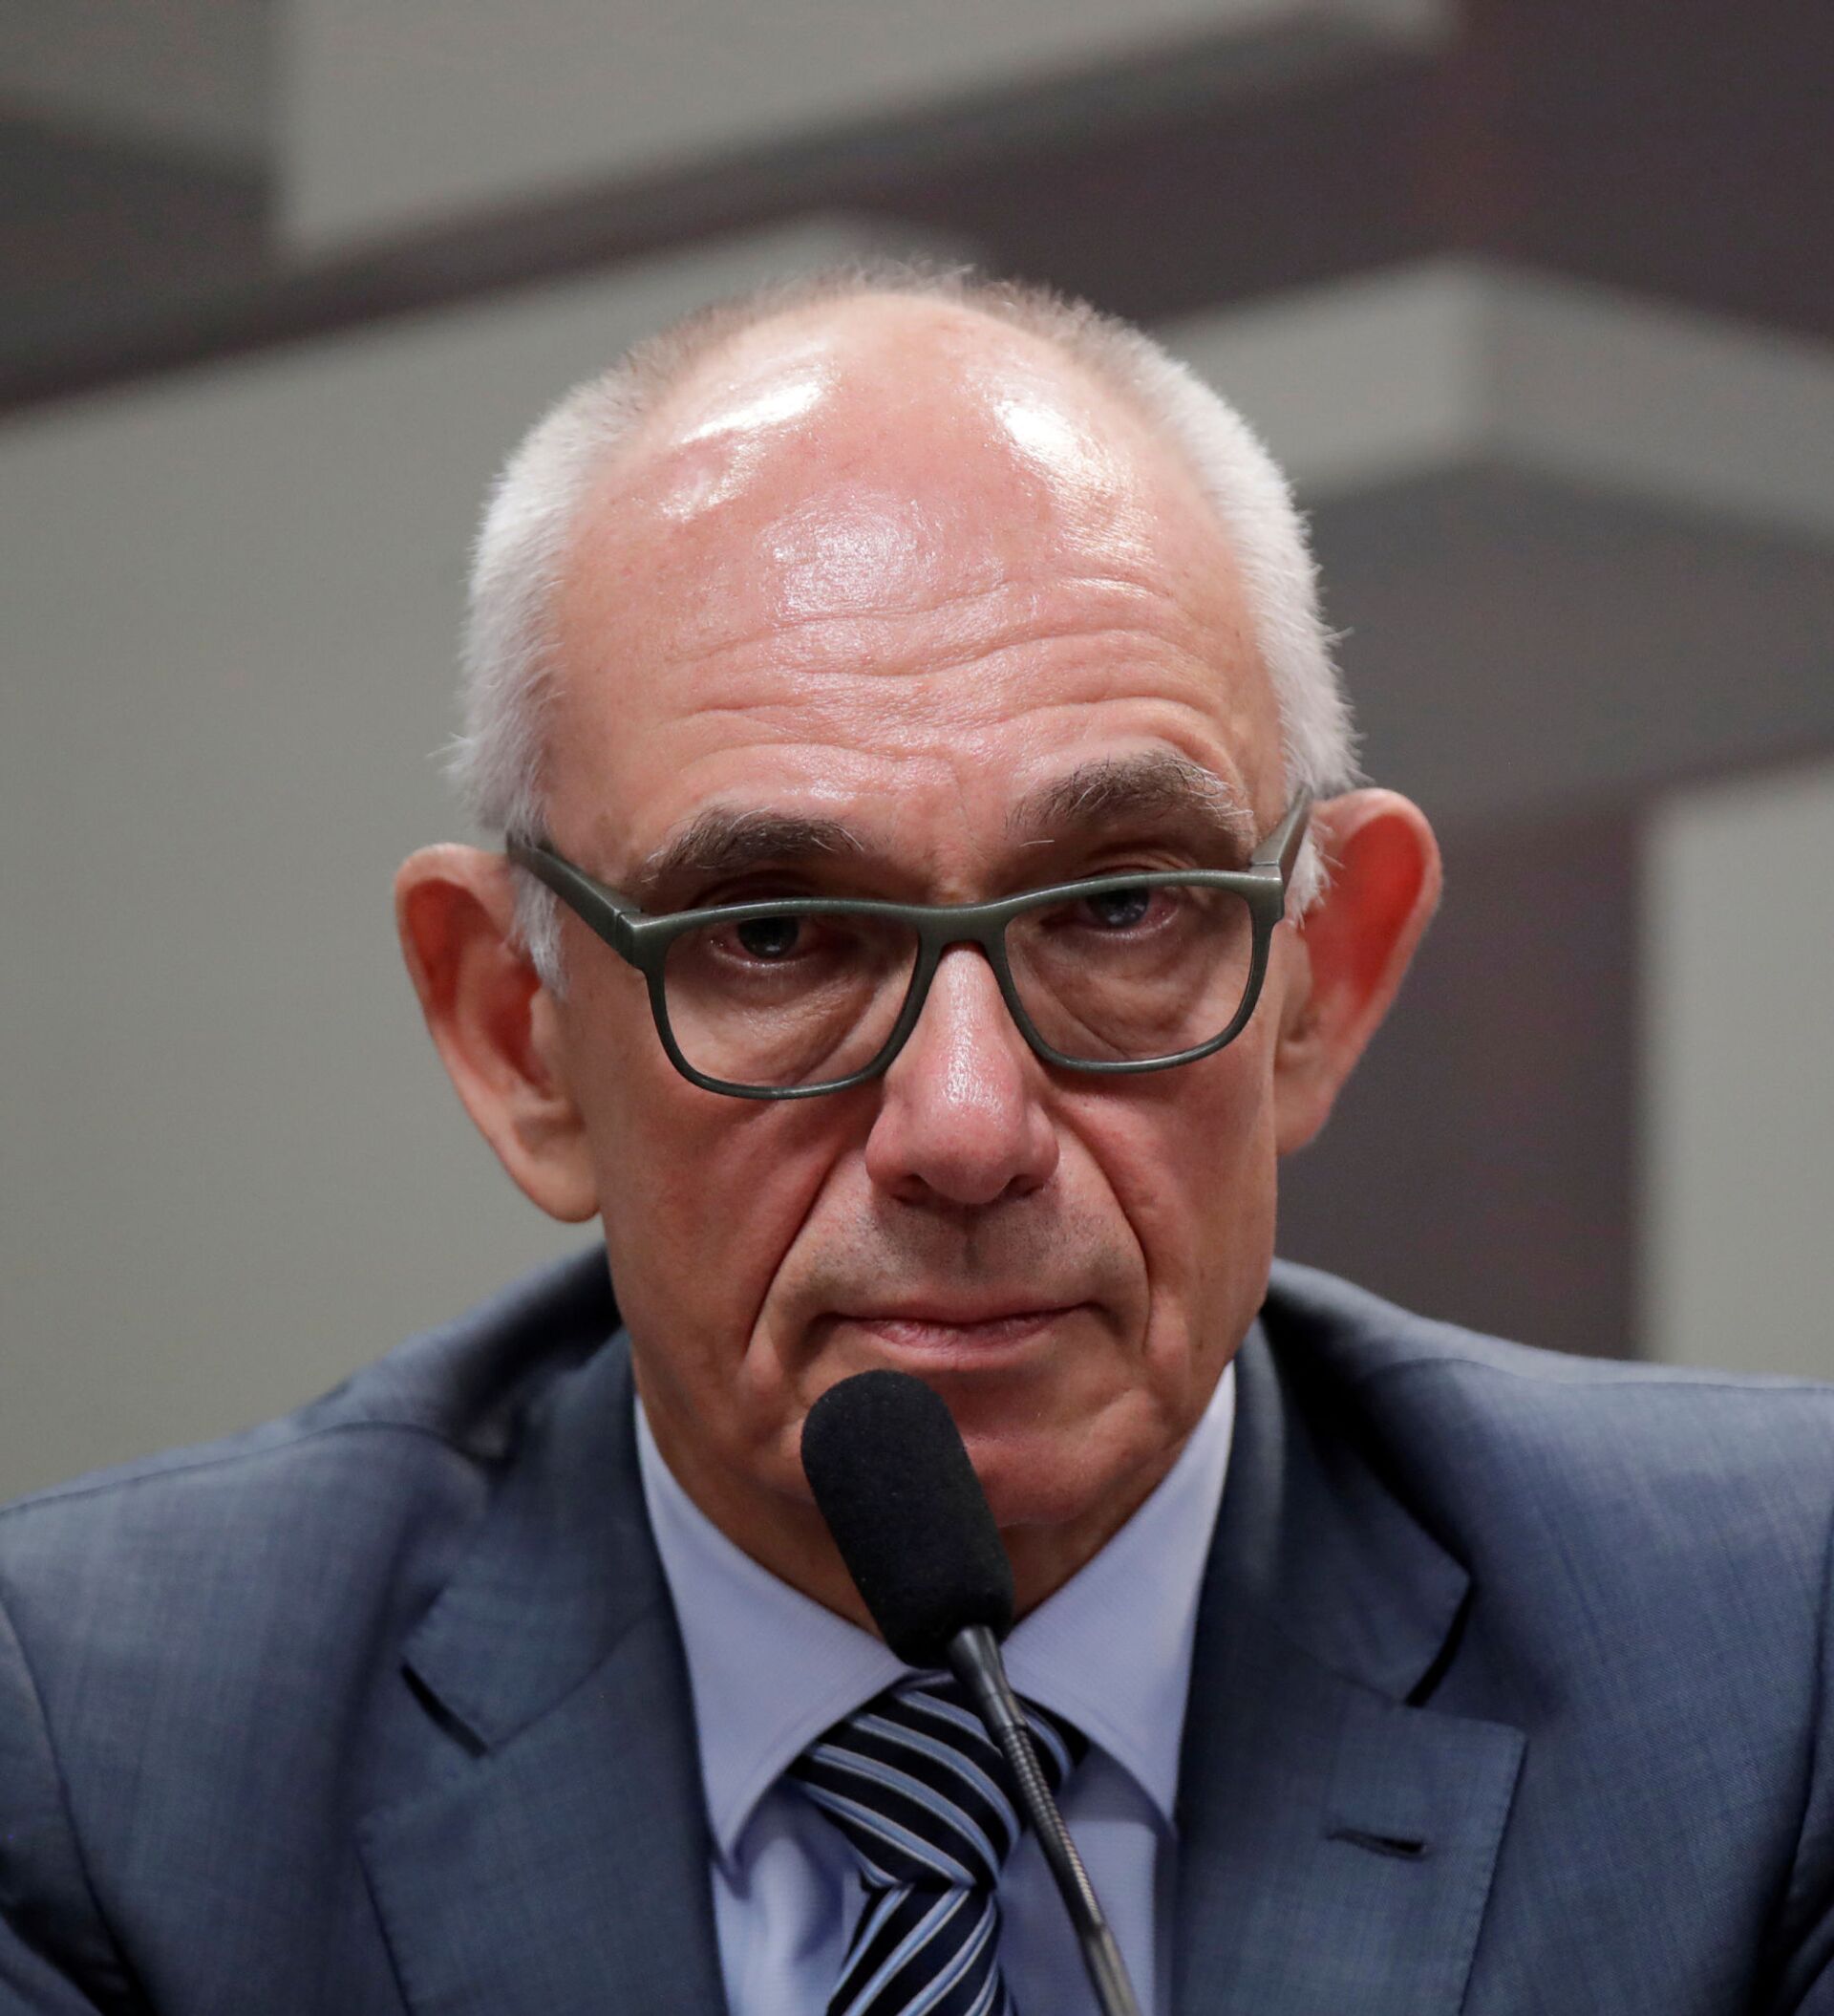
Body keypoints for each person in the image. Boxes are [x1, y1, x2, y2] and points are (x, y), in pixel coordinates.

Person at [2, 268, 1831, 2016]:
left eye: (1119, 906)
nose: (965, 1127)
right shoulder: (106, 1750)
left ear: (1318, 982)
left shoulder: (1773, 1662)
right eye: (774, 933)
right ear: (517, 1033)